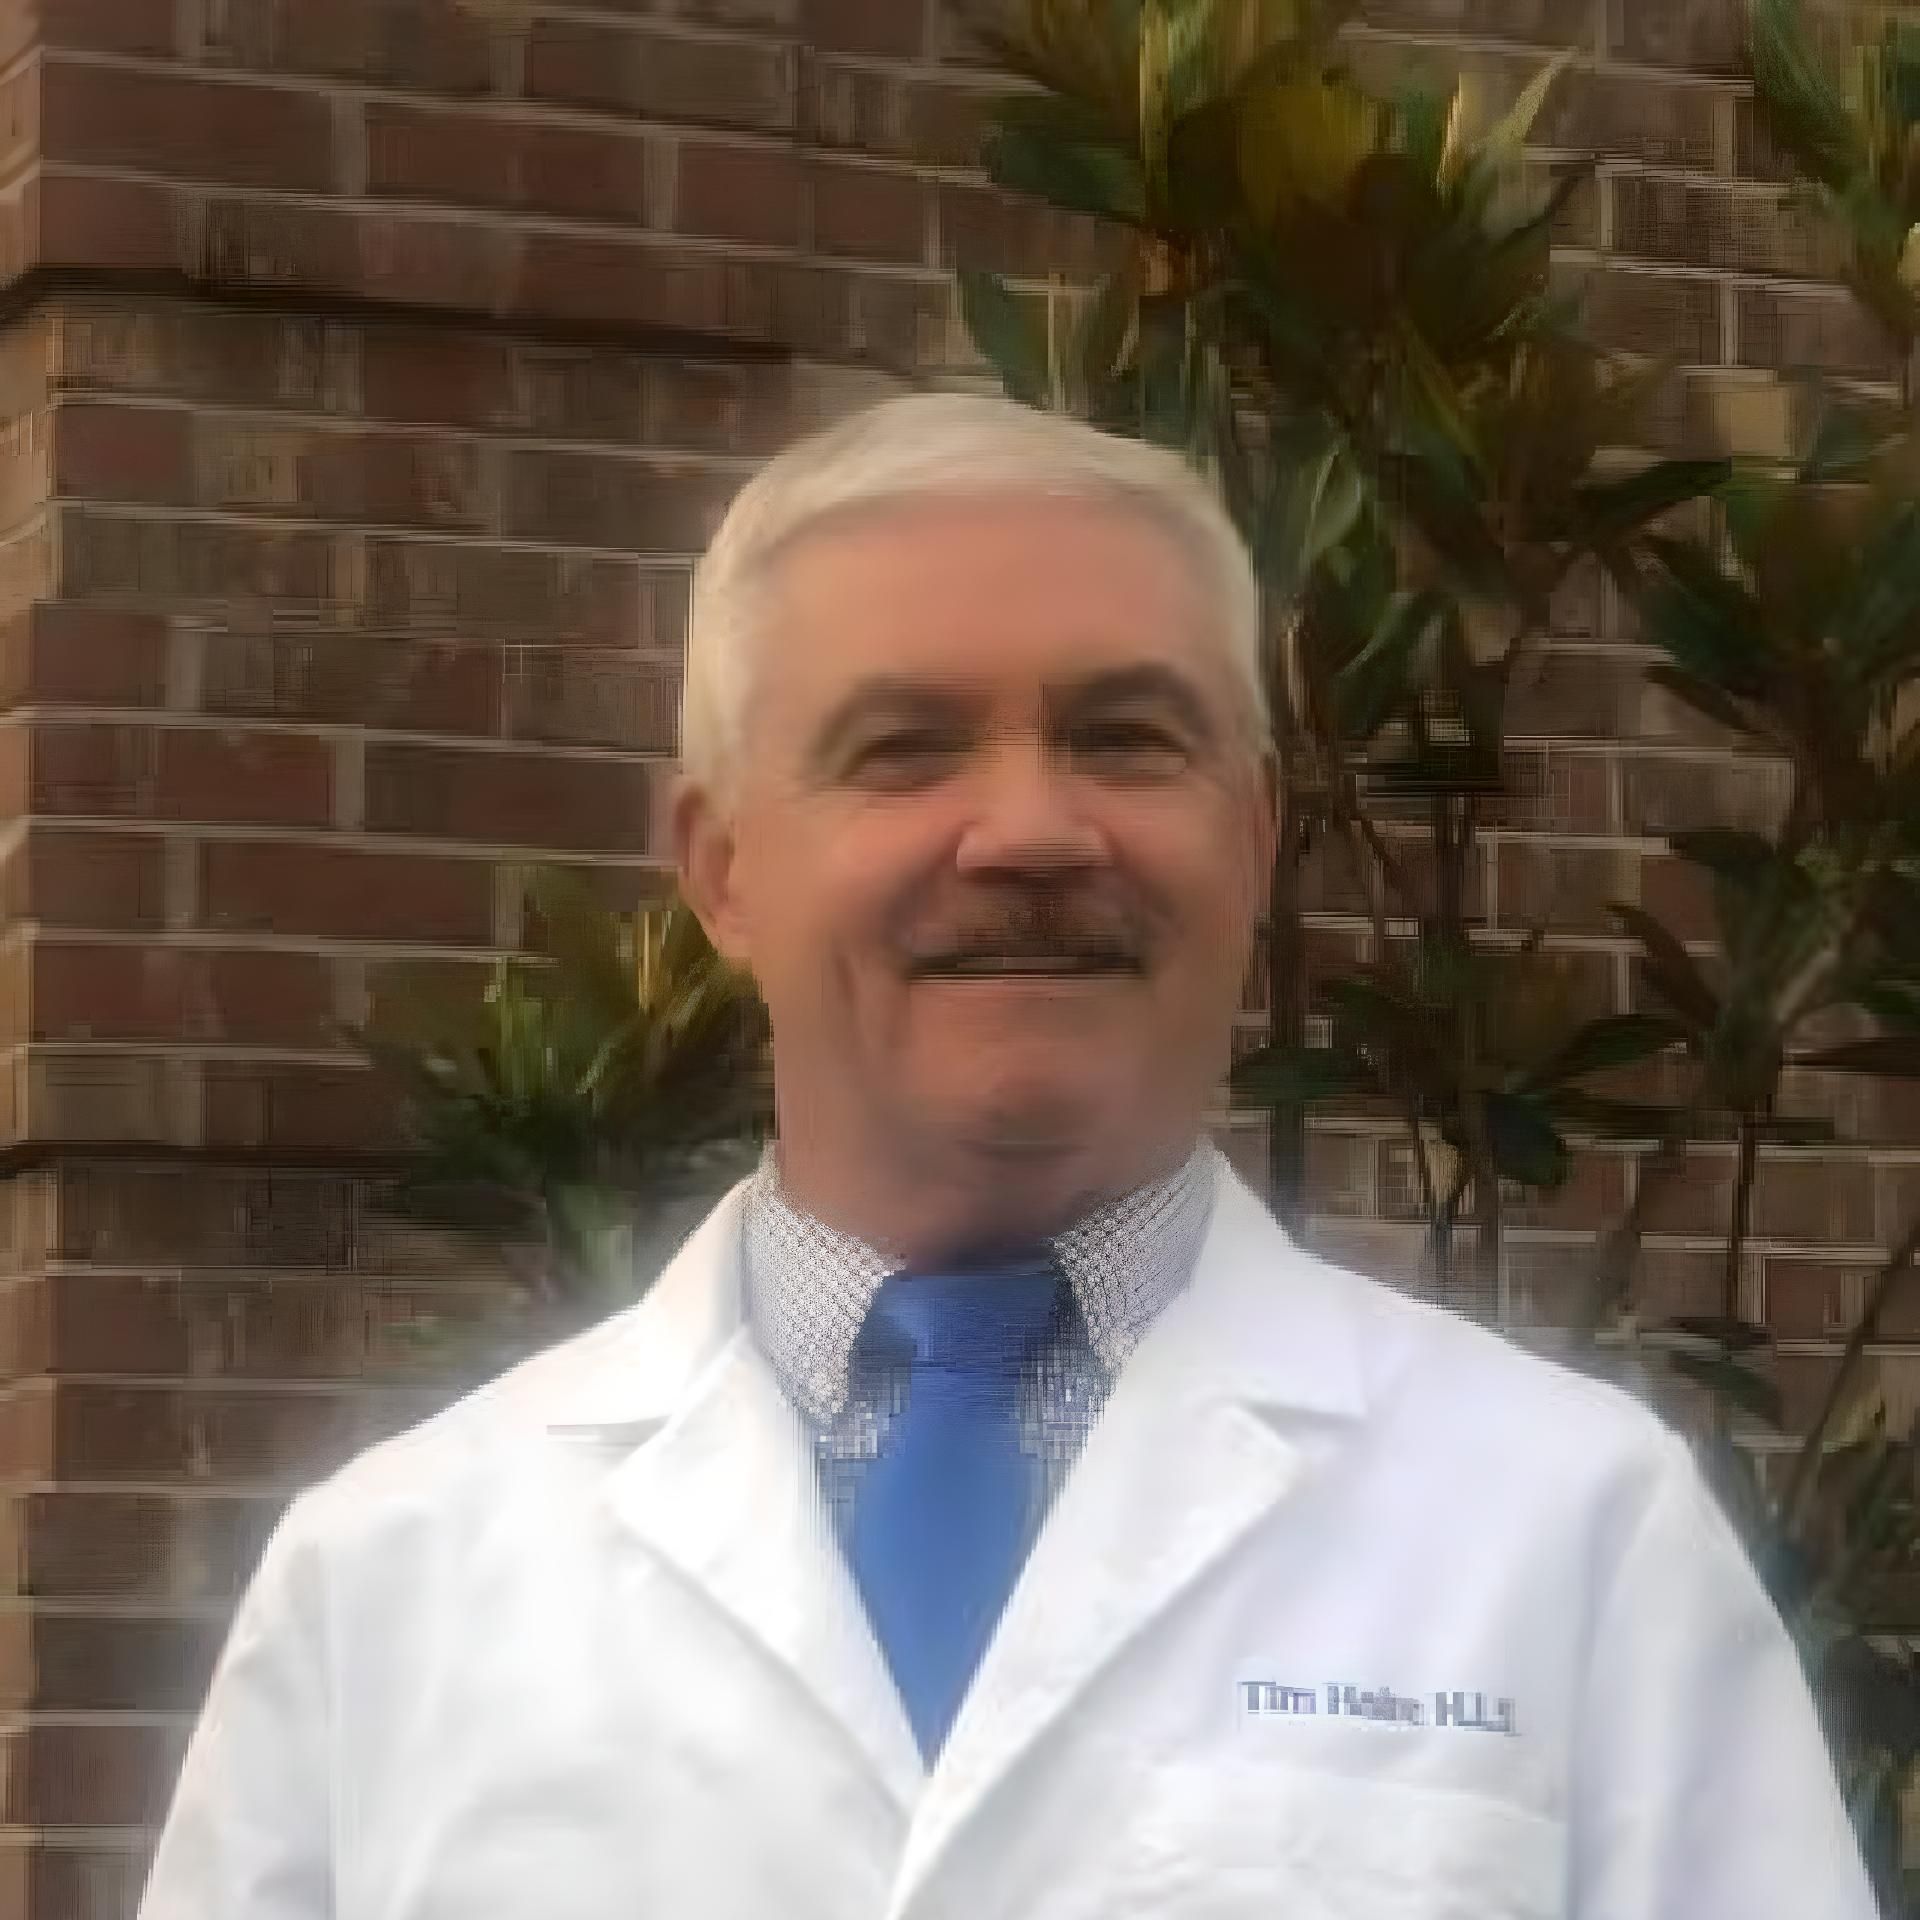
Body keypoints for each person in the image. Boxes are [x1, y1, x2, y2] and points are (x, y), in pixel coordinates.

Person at [139, 393, 1875, 1920]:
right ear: (723, 864)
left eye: (1128, 736)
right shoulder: (392, 1580)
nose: (1036, 829)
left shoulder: (1569, 1530)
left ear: (1256, 835)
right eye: (904, 749)